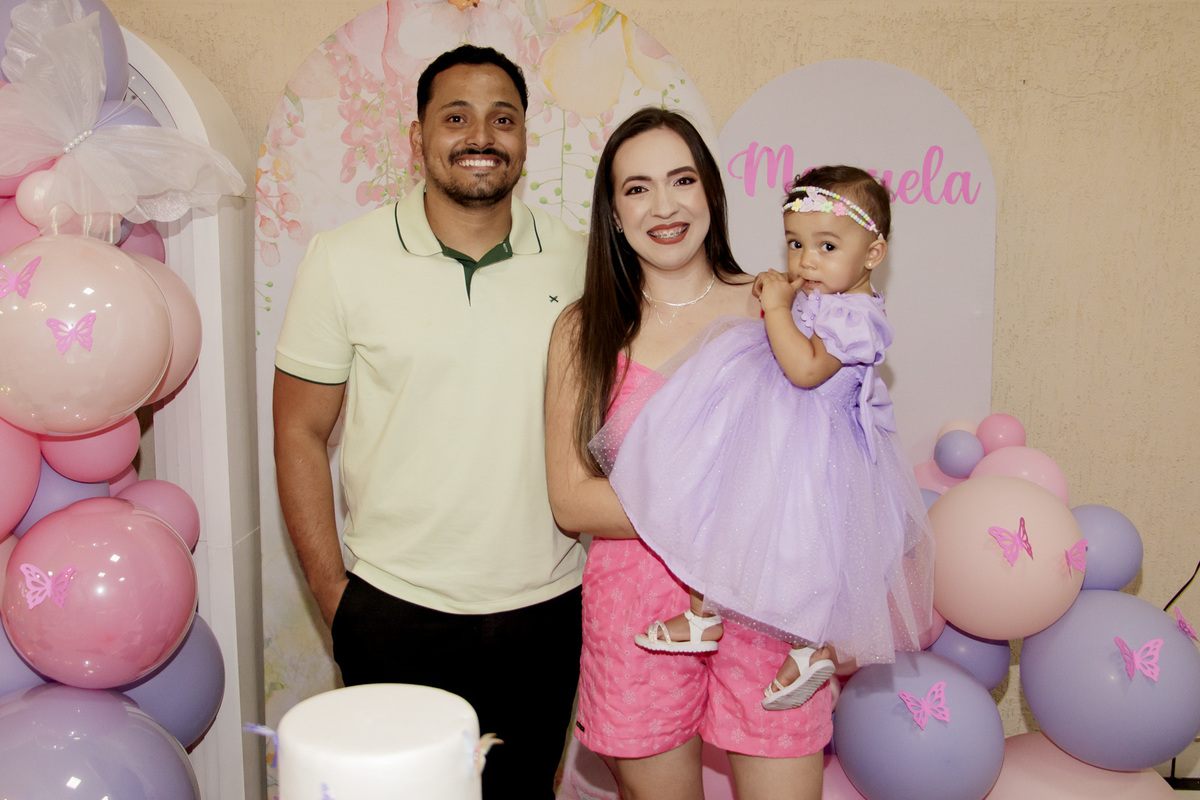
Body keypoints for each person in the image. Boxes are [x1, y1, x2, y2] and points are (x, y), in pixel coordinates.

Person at [273, 44, 585, 798]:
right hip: (393, 611)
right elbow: (298, 432)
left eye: (502, 119)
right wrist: (335, 597)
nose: (481, 136)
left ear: (524, 138)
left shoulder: (580, 261)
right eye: (456, 117)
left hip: (547, 611)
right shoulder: (342, 259)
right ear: (417, 137)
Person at [545, 107, 830, 800]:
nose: (665, 206)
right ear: (614, 214)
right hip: (638, 613)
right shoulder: (584, 331)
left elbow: (828, 472)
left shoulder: (778, 309)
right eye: (637, 188)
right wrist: (734, 500)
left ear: (711, 192)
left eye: (682, 180)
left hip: (769, 606)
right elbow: (573, 501)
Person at [598, 165, 935, 712]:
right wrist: (783, 301)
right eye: (795, 243)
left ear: (874, 254)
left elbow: (804, 368)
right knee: (718, 505)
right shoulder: (826, 294)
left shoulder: (859, 318)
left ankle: (811, 646)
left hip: (812, 449)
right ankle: (704, 614)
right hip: (775, 428)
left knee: (804, 547)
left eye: (827, 246)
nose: (806, 260)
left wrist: (776, 308)